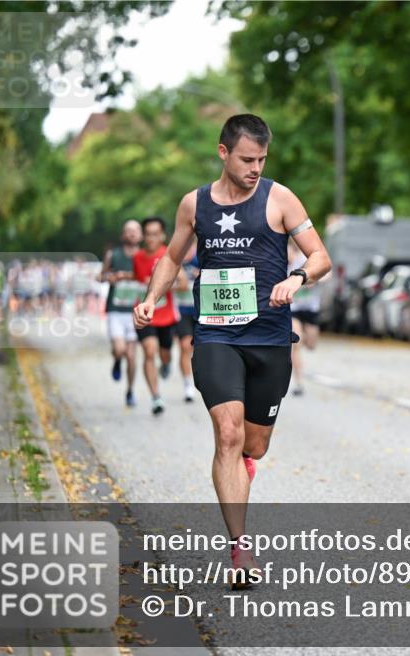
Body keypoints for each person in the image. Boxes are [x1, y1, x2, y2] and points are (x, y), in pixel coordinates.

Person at [133, 114, 331, 586]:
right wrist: (152, 298)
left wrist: (296, 278)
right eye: (246, 159)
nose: (255, 168)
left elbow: (319, 256)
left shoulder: (279, 198)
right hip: (216, 335)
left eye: (261, 159)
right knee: (227, 433)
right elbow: (172, 257)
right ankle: (241, 550)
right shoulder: (194, 205)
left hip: (270, 337)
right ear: (223, 153)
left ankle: (240, 475)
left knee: (254, 445)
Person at [133, 216, 180, 416]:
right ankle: (155, 397)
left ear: (162, 235)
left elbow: (183, 283)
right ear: (143, 236)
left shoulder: (169, 255)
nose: (151, 238)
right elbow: (133, 281)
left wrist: (162, 285)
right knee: (149, 351)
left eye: (155, 234)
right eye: (148, 234)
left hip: (166, 316)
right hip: (145, 314)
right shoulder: (137, 258)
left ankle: (167, 363)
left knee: (164, 354)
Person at [101, 220, 143, 406]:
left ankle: (130, 391)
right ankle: (117, 360)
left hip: (135, 311)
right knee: (120, 349)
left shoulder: (144, 256)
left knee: (132, 355)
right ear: (123, 235)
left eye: (135, 231)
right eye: (128, 231)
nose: (132, 234)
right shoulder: (113, 255)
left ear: (141, 235)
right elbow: (100, 276)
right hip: (115, 310)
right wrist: (110, 277)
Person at [287, 237, 325, 396]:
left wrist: (313, 279)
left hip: (310, 308)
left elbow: (325, 272)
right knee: (297, 343)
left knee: (311, 344)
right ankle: (299, 382)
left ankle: (304, 341)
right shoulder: (282, 265)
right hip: (293, 308)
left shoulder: (305, 260)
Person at [174, 240, 200, 402]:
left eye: (190, 247)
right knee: (185, 346)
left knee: (201, 349)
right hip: (181, 310)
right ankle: (187, 385)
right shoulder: (175, 260)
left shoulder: (201, 259)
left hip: (201, 311)